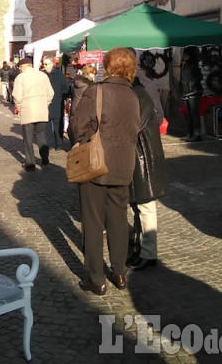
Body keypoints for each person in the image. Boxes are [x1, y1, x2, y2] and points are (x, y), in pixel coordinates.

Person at [72, 47, 141, 295]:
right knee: (118, 219)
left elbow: (77, 126)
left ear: (107, 66)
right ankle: (120, 272)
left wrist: (85, 136)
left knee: (92, 221)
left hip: (96, 163)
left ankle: (97, 278)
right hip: (124, 164)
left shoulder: (96, 91)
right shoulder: (133, 96)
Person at [128, 76, 168, 270]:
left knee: (146, 206)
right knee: (138, 205)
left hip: (144, 156)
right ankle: (142, 248)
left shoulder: (139, 94)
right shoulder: (137, 91)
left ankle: (148, 253)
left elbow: (134, 126)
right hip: (139, 155)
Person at [12, 57, 54, 170]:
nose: (20, 70)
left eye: (20, 67)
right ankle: (45, 159)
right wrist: (45, 104)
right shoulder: (43, 75)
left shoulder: (20, 78)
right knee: (41, 135)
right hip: (41, 110)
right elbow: (51, 93)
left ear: (23, 67)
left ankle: (30, 163)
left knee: (28, 139)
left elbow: (17, 96)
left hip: (27, 111)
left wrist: (20, 108)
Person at [42, 56, 69, 149]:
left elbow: (65, 87)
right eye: (43, 63)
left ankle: (59, 143)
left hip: (57, 102)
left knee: (58, 124)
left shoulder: (59, 74)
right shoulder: (42, 75)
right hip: (45, 104)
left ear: (52, 64)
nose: (44, 66)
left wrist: (62, 97)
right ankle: (49, 143)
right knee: (47, 125)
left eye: (46, 64)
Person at [68, 64, 96, 145]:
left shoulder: (75, 82)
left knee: (74, 127)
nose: (94, 76)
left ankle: (73, 145)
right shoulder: (90, 86)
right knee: (83, 129)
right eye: (93, 73)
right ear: (89, 73)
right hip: (83, 109)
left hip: (74, 107)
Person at [179, 46, 203, 142]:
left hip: (193, 92)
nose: (183, 56)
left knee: (194, 113)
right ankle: (190, 133)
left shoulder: (193, 65)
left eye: (185, 54)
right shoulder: (184, 65)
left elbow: (198, 77)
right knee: (189, 114)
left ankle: (197, 134)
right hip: (186, 92)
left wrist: (191, 84)